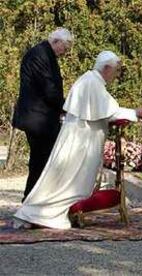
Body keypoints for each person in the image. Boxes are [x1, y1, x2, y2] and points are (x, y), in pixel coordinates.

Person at [13, 51, 142, 229]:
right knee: (67, 181)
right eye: (116, 71)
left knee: (63, 179)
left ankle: (38, 213)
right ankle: (40, 214)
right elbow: (110, 112)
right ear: (107, 68)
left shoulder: (90, 80)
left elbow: (103, 110)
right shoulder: (93, 83)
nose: (116, 75)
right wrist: (136, 113)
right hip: (80, 142)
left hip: (78, 138)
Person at [12, 28, 74, 201]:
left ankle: (35, 202)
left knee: (42, 161)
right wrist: (68, 107)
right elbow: (49, 89)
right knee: (41, 162)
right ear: (56, 41)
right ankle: (31, 203)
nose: (65, 52)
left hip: (41, 118)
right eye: (65, 47)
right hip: (37, 119)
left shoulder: (45, 54)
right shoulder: (39, 55)